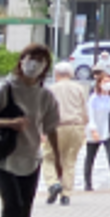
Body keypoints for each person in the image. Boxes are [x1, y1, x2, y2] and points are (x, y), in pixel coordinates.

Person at [0, 45, 61, 217]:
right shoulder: (6, 89)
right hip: (5, 158)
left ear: (46, 67)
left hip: (31, 158)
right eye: (30, 58)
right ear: (21, 60)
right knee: (12, 205)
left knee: (24, 208)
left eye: (40, 60)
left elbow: (51, 128)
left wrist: (57, 158)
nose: (33, 63)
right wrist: (10, 123)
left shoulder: (45, 96)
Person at [44, 63, 87, 206]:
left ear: (56, 74)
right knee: (69, 161)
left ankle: (53, 183)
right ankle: (66, 194)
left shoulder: (51, 90)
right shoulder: (79, 88)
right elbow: (84, 109)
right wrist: (84, 126)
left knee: (49, 158)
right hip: (75, 126)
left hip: (56, 128)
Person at [84, 72, 110, 191]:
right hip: (96, 130)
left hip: (109, 130)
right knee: (90, 157)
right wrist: (93, 130)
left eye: (109, 81)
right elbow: (90, 115)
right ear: (99, 83)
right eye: (105, 82)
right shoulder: (94, 98)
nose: (108, 84)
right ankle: (88, 183)